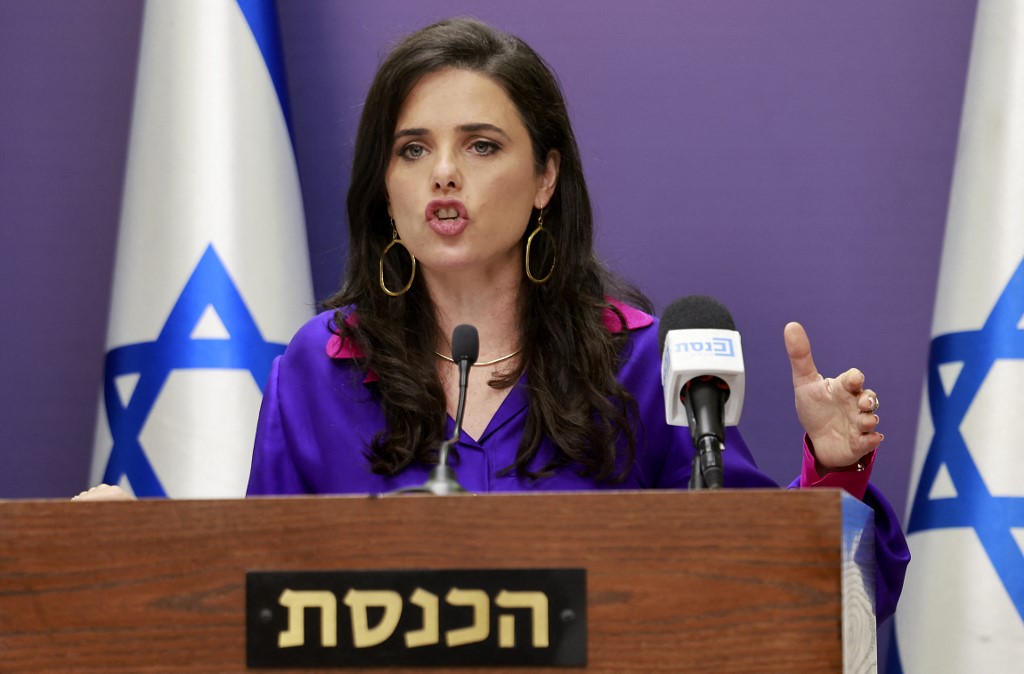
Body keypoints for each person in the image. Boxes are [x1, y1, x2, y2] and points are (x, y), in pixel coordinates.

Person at [85, 17, 910, 621]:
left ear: (546, 177)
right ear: (384, 186)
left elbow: (759, 592)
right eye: (412, 149)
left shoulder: (638, 360)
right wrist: (147, 560)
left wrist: (832, 472)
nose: (443, 174)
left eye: (481, 145)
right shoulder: (318, 367)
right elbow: (259, 604)